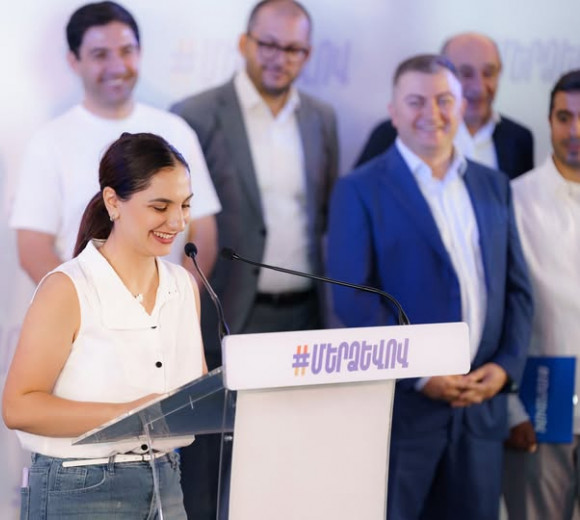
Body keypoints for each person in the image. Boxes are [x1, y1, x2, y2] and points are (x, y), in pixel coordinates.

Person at [327, 54, 532, 520]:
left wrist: (505, 368)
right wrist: (419, 373)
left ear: (461, 106)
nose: (432, 114)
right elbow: (352, 297)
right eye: (416, 101)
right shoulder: (359, 189)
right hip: (405, 411)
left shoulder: (494, 185)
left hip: (481, 410)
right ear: (393, 111)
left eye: (444, 100)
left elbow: (518, 291)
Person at [171, 1, 338, 517]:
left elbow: (324, 214)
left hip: (304, 320)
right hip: (225, 315)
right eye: (268, 44)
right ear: (244, 43)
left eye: (292, 48)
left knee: (288, 471)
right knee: (208, 475)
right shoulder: (195, 115)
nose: (278, 57)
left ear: (307, 54)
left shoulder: (321, 118)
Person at [2, 132, 207, 519]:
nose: (178, 222)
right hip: (81, 485)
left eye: (185, 205)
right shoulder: (67, 288)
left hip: (166, 479)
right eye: (160, 206)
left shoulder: (184, 286)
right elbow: (18, 406)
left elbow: (190, 399)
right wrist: (130, 414)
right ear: (113, 202)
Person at [10, 1, 220, 284]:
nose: (117, 66)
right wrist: (83, 303)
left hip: (165, 305)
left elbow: (203, 232)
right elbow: (32, 248)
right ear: (74, 61)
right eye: (100, 55)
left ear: (140, 52)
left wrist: (182, 297)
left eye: (126, 51)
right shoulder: (50, 141)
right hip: (86, 308)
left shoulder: (176, 130)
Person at [501, 69, 580, 520]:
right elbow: (498, 313)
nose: (575, 131)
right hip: (540, 406)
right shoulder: (514, 199)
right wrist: (511, 407)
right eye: (564, 117)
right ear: (549, 120)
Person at [355, 32, 534, 179]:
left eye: (488, 73)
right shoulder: (391, 135)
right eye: (466, 74)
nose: (479, 87)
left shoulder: (519, 139)